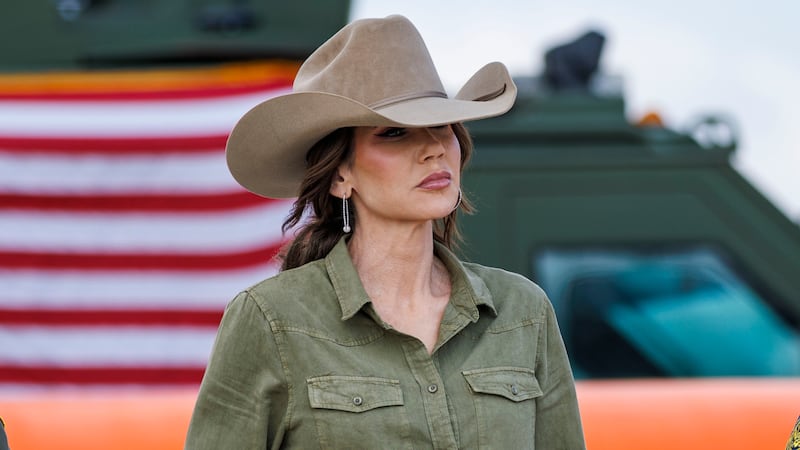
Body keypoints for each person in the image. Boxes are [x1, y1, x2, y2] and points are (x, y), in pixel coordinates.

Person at [185, 14, 585, 449]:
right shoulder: (270, 321)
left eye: (442, 125)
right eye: (394, 133)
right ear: (340, 174)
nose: (433, 147)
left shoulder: (523, 313)